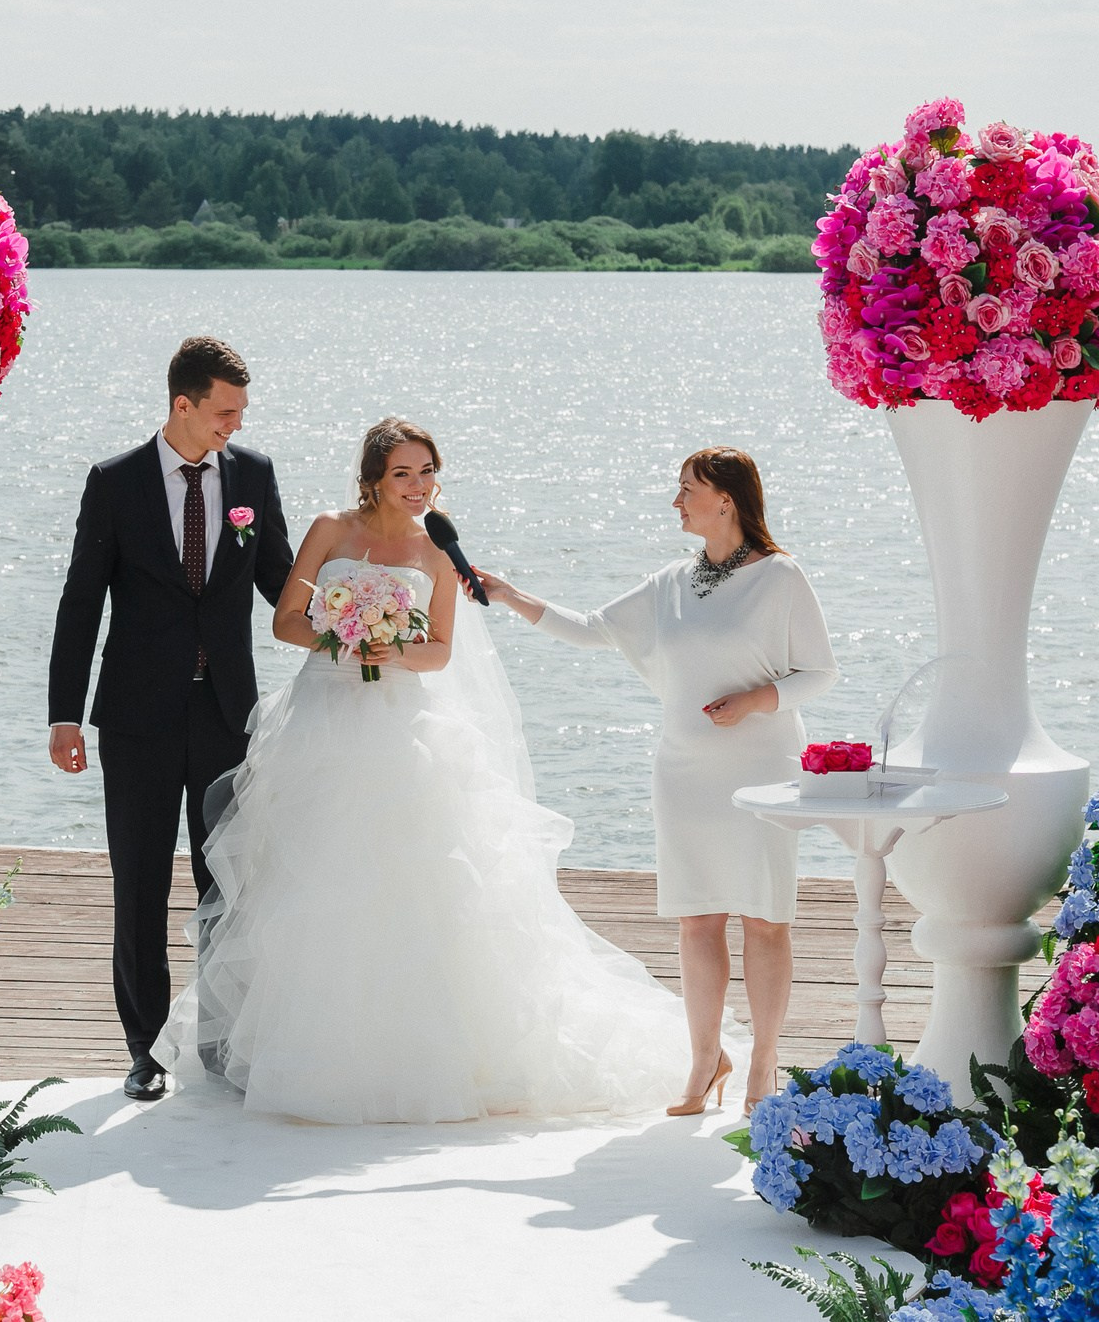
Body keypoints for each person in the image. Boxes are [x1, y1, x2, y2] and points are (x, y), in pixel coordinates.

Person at [152, 418, 713, 1123]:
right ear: (373, 479)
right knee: (315, 878)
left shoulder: (438, 550)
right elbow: (287, 621)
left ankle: (418, 1054)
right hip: (320, 721)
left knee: (414, 878)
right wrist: (343, 631)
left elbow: (440, 650)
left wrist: (387, 649)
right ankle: (310, 1052)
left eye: (427, 473)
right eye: (403, 475)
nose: (418, 488)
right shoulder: (330, 530)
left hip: (401, 726)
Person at [477, 447, 837, 1116]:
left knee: (764, 920)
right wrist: (508, 594)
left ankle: (762, 1065)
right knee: (697, 920)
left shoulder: (781, 577)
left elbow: (818, 672)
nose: (676, 501)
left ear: (725, 499)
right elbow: (592, 631)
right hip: (684, 772)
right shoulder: (671, 581)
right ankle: (705, 1061)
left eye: (687, 490)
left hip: (762, 771)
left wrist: (755, 699)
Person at [48, 336, 295, 1102]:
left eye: (242, 412)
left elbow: (280, 579)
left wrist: (354, 628)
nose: (236, 424)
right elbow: (82, 599)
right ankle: (146, 1050)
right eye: (225, 411)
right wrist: (64, 715)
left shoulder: (252, 475)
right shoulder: (115, 482)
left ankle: (220, 1042)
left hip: (228, 713)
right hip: (137, 718)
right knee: (142, 883)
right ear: (181, 405)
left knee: (226, 880)